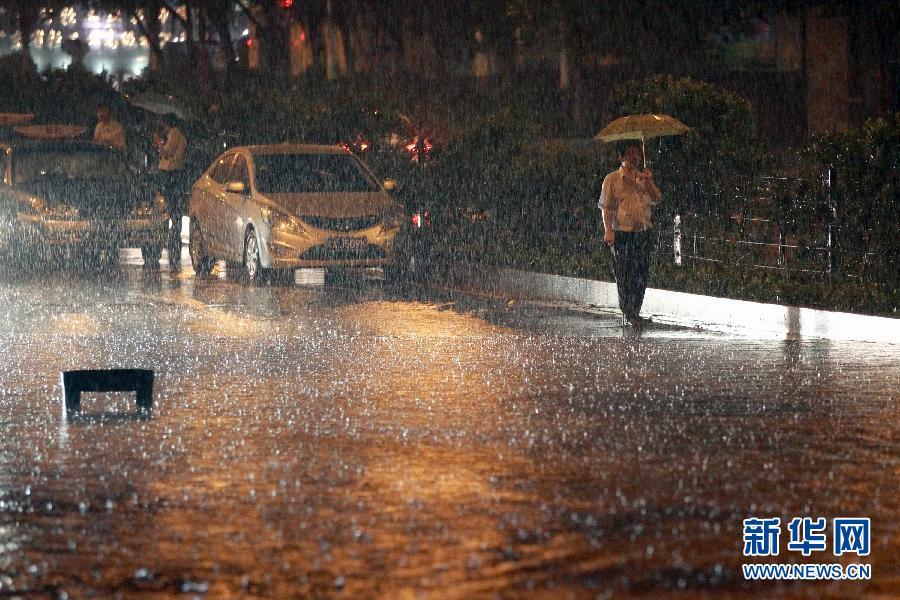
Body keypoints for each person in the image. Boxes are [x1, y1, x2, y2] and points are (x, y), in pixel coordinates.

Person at [599, 144, 661, 327]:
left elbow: (657, 197)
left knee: (641, 273)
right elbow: (606, 207)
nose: (634, 157)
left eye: (636, 153)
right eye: (630, 154)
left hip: (643, 232)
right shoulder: (612, 180)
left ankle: (635, 311)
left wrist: (649, 180)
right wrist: (608, 230)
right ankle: (628, 311)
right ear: (621, 157)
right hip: (623, 234)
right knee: (625, 274)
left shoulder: (643, 178)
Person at [152, 114, 188, 268]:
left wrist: (158, 143)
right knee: (174, 204)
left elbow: (166, 152)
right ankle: (174, 232)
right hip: (174, 174)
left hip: (171, 173)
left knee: (171, 204)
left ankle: (173, 234)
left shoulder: (174, 135)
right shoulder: (179, 135)